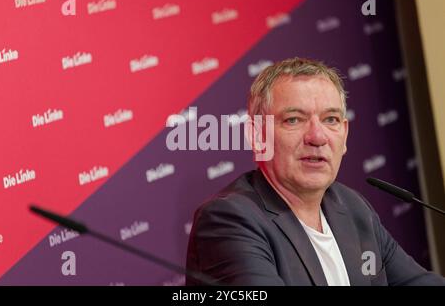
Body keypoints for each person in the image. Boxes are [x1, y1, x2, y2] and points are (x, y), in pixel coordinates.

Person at [185, 57, 445, 286]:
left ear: (344, 135)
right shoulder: (228, 220)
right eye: (294, 120)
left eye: (330, 119)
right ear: (257, 136)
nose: (317, 136)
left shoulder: (352, 207)